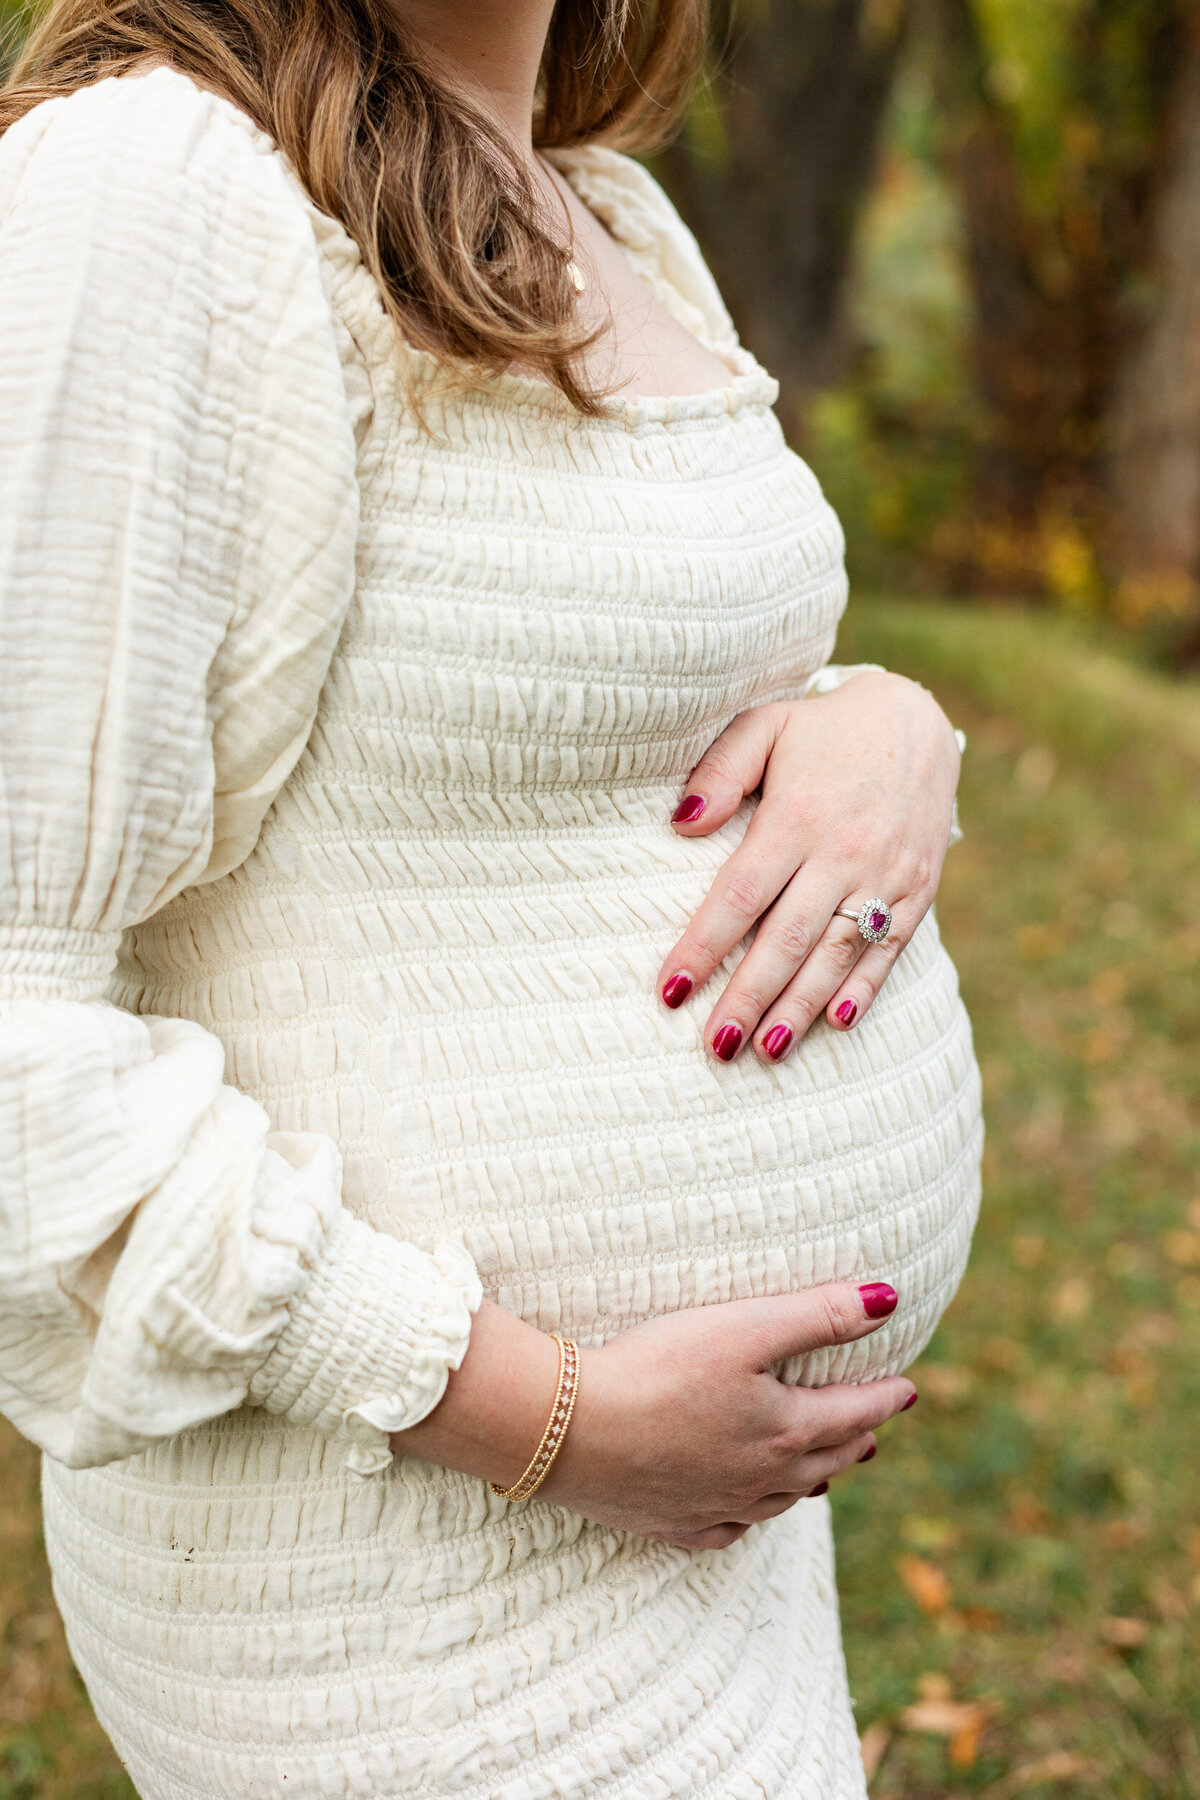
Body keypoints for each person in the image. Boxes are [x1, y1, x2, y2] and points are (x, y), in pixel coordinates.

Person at [0, 1, 982, 1794]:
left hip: (707, 1550)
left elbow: (661, 703)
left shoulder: (600, 201)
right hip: (397, 1559)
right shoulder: (152, 189)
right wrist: (551, 1421)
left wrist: (887, 724)